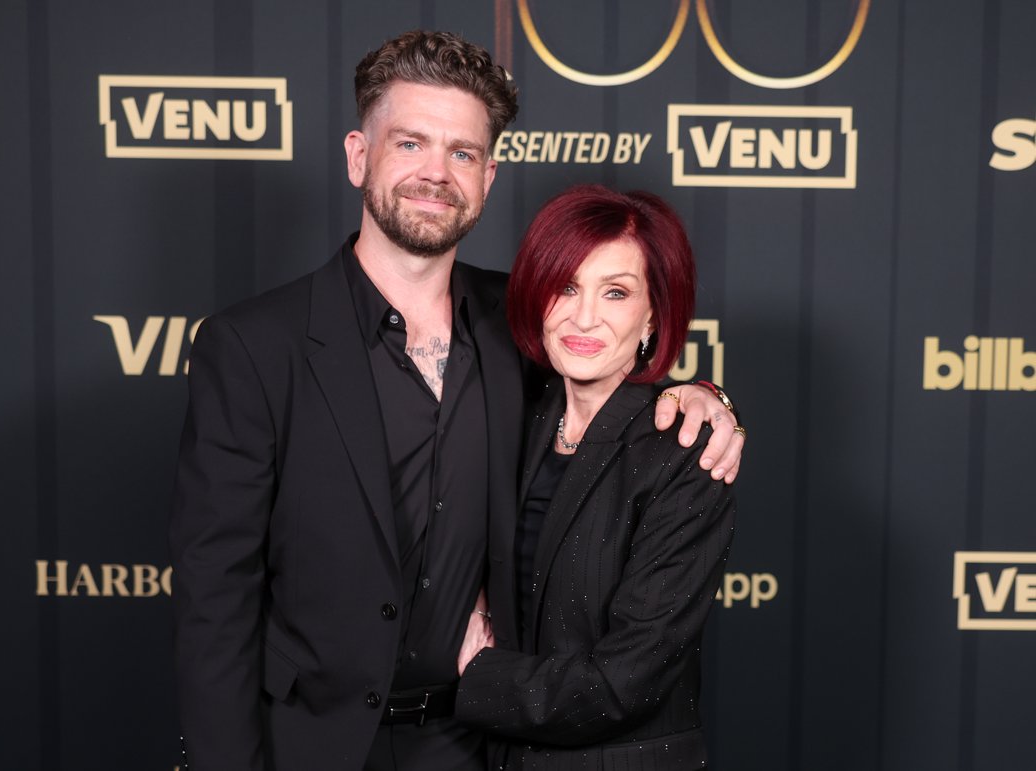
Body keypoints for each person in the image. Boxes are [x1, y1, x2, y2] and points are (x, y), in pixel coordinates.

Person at [168, 30, 744, 771]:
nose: (435, 173)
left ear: (488, 176)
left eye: (462, 153)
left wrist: (705, 396)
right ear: (358, 156)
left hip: (481, 742)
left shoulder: (528, 325)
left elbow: (613, 390)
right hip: (311, 744)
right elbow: (215, 597)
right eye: (410, 143)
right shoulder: (253, 346)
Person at [455, 185, 736, 770]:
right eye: (566, 287)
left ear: (653, 312)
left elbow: (624, 682)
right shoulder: (519, 415)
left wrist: (479, 678)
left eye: (616, 292)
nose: (583, 317)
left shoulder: (684, 451)